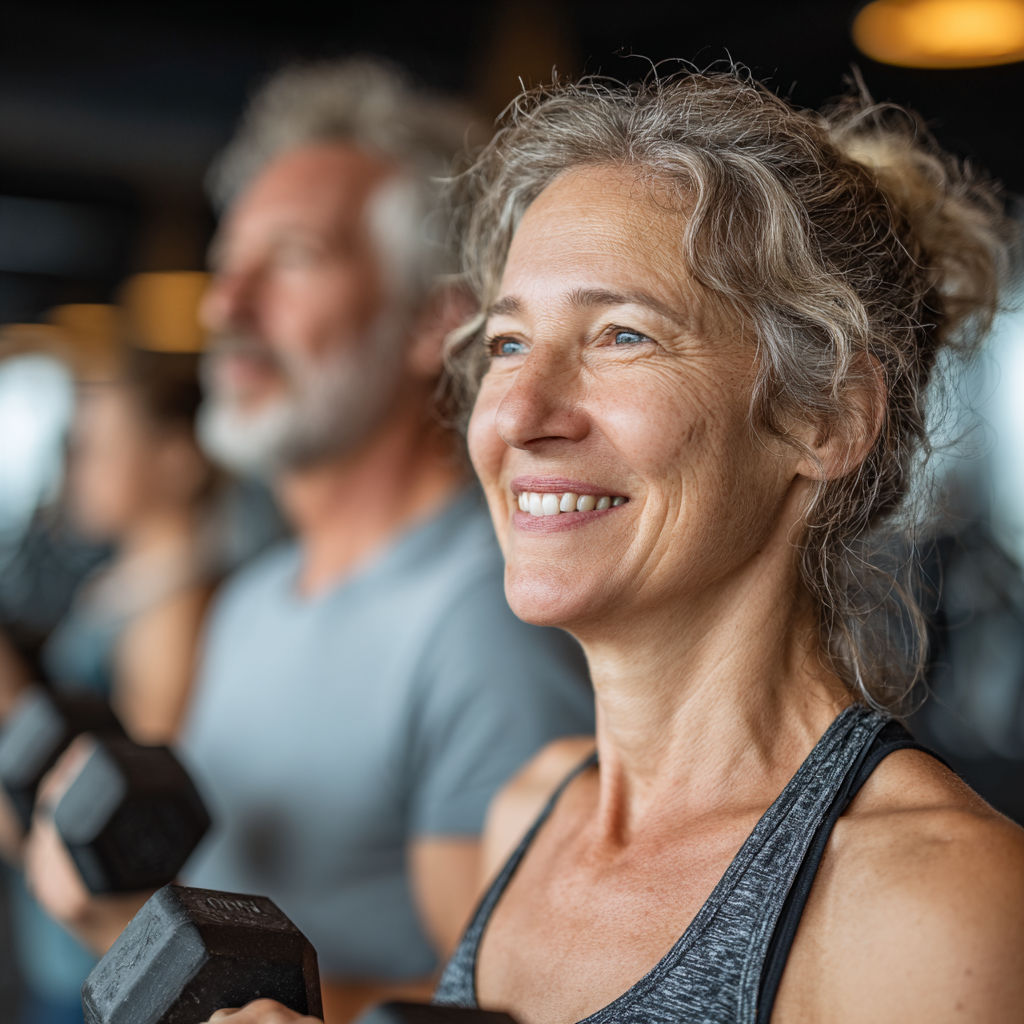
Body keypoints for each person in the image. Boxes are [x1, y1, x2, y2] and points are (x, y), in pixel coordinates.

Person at [215, 70, 1024, 1024]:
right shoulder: (531, 814)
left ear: (824, 419)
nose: (514, 412)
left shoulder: (935, 900)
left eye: (622, 336)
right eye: (509, 344)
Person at [24, 59, 593, 1024]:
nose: (225, 306)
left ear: (432, 322)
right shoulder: (252, 597)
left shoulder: (484, 618)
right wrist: (118, 927)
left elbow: (509, 1012)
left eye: (290, 258)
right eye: (227, 261)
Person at [3, 347, 218, 1024]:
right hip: (56, 939)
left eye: (100, 448)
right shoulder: (120, 582)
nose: (77, 469)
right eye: (77, 448)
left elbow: (137, 832)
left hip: (99, 961)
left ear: (178, 458)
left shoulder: (175, 606)